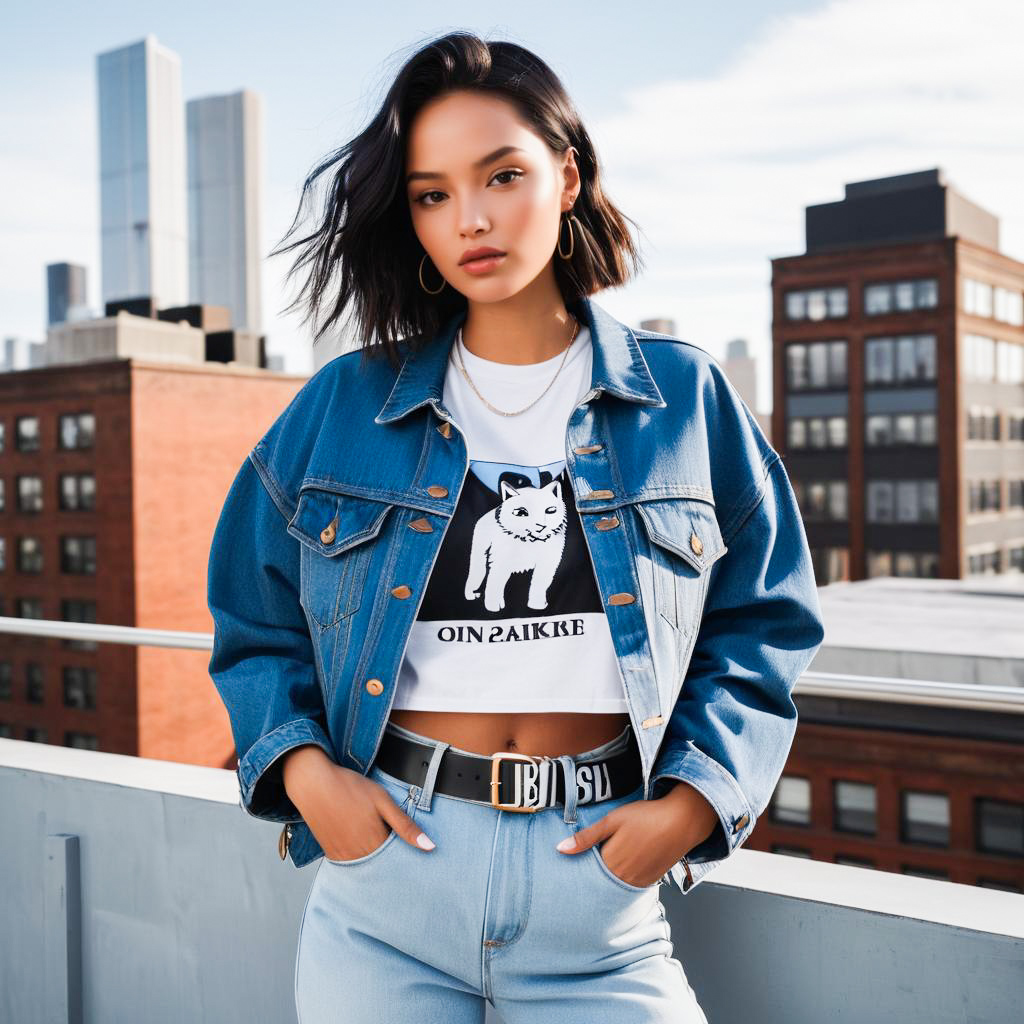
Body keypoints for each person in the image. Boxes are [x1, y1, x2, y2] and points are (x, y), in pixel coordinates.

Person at [206, 30, 825, 1024]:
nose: (473, 219)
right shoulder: (341, 407)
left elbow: (765, 622)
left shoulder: (683, 399)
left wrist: (692, 806)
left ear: (567, 175)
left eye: (502, 175)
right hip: (387, 888)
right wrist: (305, 773)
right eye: (433, 193)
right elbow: (252, 619)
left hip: (600, 902)